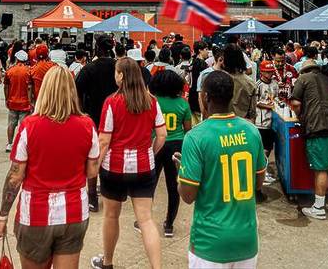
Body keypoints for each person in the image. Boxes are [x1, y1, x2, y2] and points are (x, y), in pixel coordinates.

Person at [0, 66, 99, 268]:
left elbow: (15, 177)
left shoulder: (29, 126)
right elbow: (92, 171)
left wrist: (3, 216)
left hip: (35, 213)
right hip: (74, 212)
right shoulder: (87, 125)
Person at [176, 71, 267, 268]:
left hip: (210, 242)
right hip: (246, 240)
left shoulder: (195, 137)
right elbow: (258, 183)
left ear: (205, 97)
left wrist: (181, 174)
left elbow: (188, 196)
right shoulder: (251, 131)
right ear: (231, 96)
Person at [90, 57, 167, 269]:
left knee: (111, 216)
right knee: (146, 220)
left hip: (114, 168)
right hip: (144, 167)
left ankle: (107, 262)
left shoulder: (111, 102)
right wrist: (150, 153)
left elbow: (104, 140)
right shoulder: (151, 101)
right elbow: (162, 135)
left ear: (121, 75)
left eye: (116, 72)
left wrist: (94, 166)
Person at [289, 59, 328, 220]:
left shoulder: (303, 79)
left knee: (321, 169)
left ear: (303, 70)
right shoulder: (327, 79)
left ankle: (319, 207)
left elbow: (295, 102)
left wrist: (301, 117)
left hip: (319, 127)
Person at [76, 37, 118, 212]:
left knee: (92, 157)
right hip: (116, 118)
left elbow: (77, 91)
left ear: (96, 48)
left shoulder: (88, 69)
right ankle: (111, 193)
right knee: (112, 155)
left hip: (93, 118)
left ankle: (92, 197)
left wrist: (80, 112)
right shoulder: (118, 67)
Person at [149, 69, 192, 238]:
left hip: (157, 143)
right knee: (173, 186)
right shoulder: (183, 104)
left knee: (150, 183)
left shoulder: (154, 102)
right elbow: (188, 130)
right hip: (176, 145)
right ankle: (169, 224)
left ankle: (145, 220)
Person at [254, 60, 279, 189]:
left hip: (272, 121)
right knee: (262, 148)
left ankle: (263, 170)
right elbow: (255, 102)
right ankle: (261, 173)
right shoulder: (257, 85)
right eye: (267, 72)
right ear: (262, 72)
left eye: (271, 72)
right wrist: (269, 106)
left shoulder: (275, 84)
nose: (270, 74)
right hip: (260, 121)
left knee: (269, 147)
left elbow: (277, 98)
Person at [4, 50, 33, 152]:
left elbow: (6, 87)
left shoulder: (10, 71)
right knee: (23, 125)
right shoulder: (29, 71)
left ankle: (9, 144)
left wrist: (7, 99)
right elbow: (29, 87)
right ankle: (22, 144)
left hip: (12, 102)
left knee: (11, 124)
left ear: (17, 59)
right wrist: (30, 102)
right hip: (25, 103)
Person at [225, 44, 256, 121]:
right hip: (242, 123)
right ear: (242, 60)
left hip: (223, 123)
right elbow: (252, 113)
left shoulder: (219, 80)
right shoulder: (250, 83)